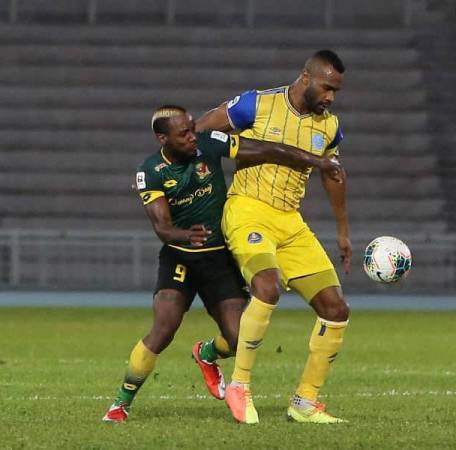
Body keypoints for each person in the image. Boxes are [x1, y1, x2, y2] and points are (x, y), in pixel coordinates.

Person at [102, 105, 342, 422]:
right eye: (184, 133)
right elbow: (161, 227)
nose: (192, 137)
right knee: (163, 330)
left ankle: (206, 353)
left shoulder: (210, 142)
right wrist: (183, 234)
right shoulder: (151, 171)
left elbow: (266, 149)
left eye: (192, 128)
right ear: (163, 138)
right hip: (181, 258)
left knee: (237, 338)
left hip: (217, 258)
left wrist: (316, 160)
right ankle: (121, 404)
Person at [194, 50, 351, 424]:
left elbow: (333, 174)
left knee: (336, 310)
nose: (330, 97)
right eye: (327, 87)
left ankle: (305, 402)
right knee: (267, 286)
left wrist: (343, 231)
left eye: (336, 91)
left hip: (290, 222)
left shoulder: (330, 128)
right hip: (248, 209)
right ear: (306, 78)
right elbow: (200, 130)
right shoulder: (255, 105)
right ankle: (240, 386)